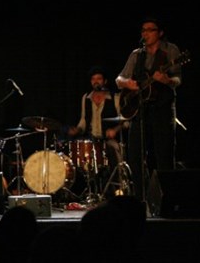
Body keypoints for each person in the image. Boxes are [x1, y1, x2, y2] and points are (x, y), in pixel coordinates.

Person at [115, 17, 182, 210]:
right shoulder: (137, 54)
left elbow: (178, 79)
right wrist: (127, 83)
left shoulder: (171, 51)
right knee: (134, 155)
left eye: (150, 30)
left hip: (162, 109)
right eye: (143, 30)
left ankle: (167, 201)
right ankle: (140, 200)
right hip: (140, 110)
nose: (145, 33)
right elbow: (119, 79)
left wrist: (167, 80)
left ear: (160, 32)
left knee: (164, 156)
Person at [66, 65, 128, 199]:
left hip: (109, 139)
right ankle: (91, 191)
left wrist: (115, 130)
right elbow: (83, 120)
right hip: (92, 138)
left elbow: (126, 121)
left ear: (105, 81)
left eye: (99, 79)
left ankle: (118, 188)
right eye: (93, 79)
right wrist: (77, 129)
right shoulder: (86, 98)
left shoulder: (115, 97)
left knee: (113, 148)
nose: (96, 81)